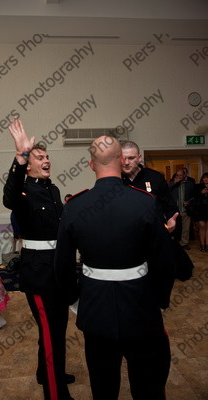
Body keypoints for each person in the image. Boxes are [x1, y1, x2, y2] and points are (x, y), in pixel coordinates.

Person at [55, 136, 176, 400]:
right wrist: (159, 301)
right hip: (141, 308)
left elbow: (62, 264)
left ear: (90, 164)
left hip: (96, 309)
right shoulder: (144, 202)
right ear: (122, 161)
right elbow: (164, 261)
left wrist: (76, 301)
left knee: (103, 387)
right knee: (147, 387)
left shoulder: (75, 207)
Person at [3, 119, 74, 400]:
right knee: (50, 333)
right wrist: (20, 156)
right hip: (39, 275)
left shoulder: (53, 190)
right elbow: (9, 197)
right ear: (29, 165)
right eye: (39, 157)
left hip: (58, 270)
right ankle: (55, 392)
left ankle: (46, 373)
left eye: (47, 156)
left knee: (57, 330)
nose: (46, 160)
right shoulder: (22, 191)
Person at [121, 141, 179, 233]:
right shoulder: (114, 180)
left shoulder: (155, 177)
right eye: (123, 158)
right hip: (125, 235)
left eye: (131, 158)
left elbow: (169, 206)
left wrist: (171, 219)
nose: (126, 162)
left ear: (139, 158)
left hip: (153, 234)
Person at [169, 169, 195, 249]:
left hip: (185, 209)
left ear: (184, 175)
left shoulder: (189, 184)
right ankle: (173, 242)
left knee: (186, 228)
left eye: (181, 175)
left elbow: (194, 196)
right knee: (174, 227)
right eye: (177, 175)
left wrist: (189, 202)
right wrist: (174, 183)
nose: (179, 177)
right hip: (175, 210)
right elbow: (166, 191)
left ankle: (184, 243)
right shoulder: (172, 183)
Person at [192, 172, 208, 251]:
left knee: (207, 228)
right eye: (204, 177)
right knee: (202, 227)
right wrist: (201, 193)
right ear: (202, 178)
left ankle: (207, 245)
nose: (206, 179)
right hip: (201, 210)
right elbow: (194, 196)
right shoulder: (198, 186)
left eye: (207, 178)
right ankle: (202, 245)